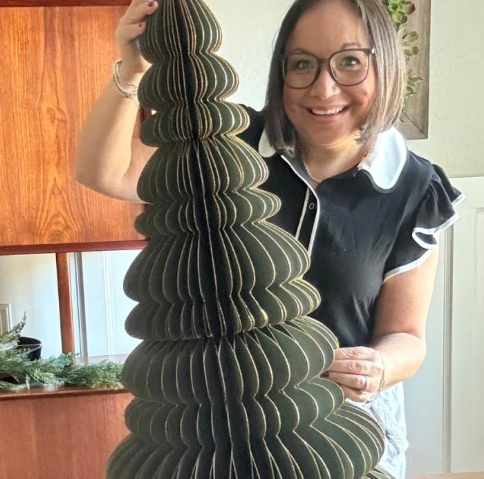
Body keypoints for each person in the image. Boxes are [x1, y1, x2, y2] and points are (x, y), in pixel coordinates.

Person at [76, 0, 464, 476]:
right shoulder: (228, 145)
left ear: (384, 63)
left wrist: (376, 365)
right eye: (302, 64)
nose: (324, 89)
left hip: (338, 430)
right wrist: (132, 69)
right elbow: (105, 171)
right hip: (221, 420)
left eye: (349, 62)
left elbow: (405, 335)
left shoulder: (413, 188)